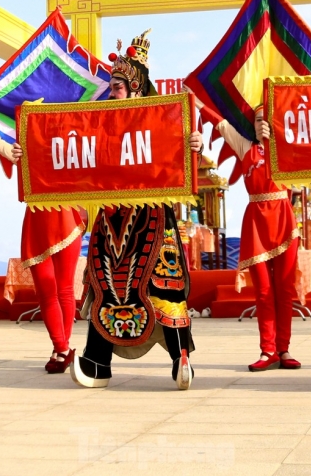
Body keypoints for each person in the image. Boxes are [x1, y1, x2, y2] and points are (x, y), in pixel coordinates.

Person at [68, 31, 205, 390]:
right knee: (103, 285)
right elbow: (73, 156)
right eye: (111, 84)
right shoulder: (98, 127)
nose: (111, 90)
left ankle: (181, 359)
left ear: (137, 89)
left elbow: (185, 161)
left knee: (163, 285)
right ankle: (97, 362)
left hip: (153, 217)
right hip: (111, 218)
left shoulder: (164, 123)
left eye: (117, 85)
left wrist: (193, 143)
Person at [0, 93, 84, 374]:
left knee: (65, 288)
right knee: (46, 289)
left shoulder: (70, 148)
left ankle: (62, 347)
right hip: (37, 221)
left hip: (66, 218)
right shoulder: (22, 151)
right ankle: (61, 347)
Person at [217, 107, 301, 372]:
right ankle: (268, 351)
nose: (262, 124)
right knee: (264, 292)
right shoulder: (244, 147)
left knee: (284, 290)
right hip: (256, 222)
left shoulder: (286, 147)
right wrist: (194, 98)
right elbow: (218, 121)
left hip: (284, 221)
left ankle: (284, 349)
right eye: (257, 119)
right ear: (251, 124)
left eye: (267, 119)